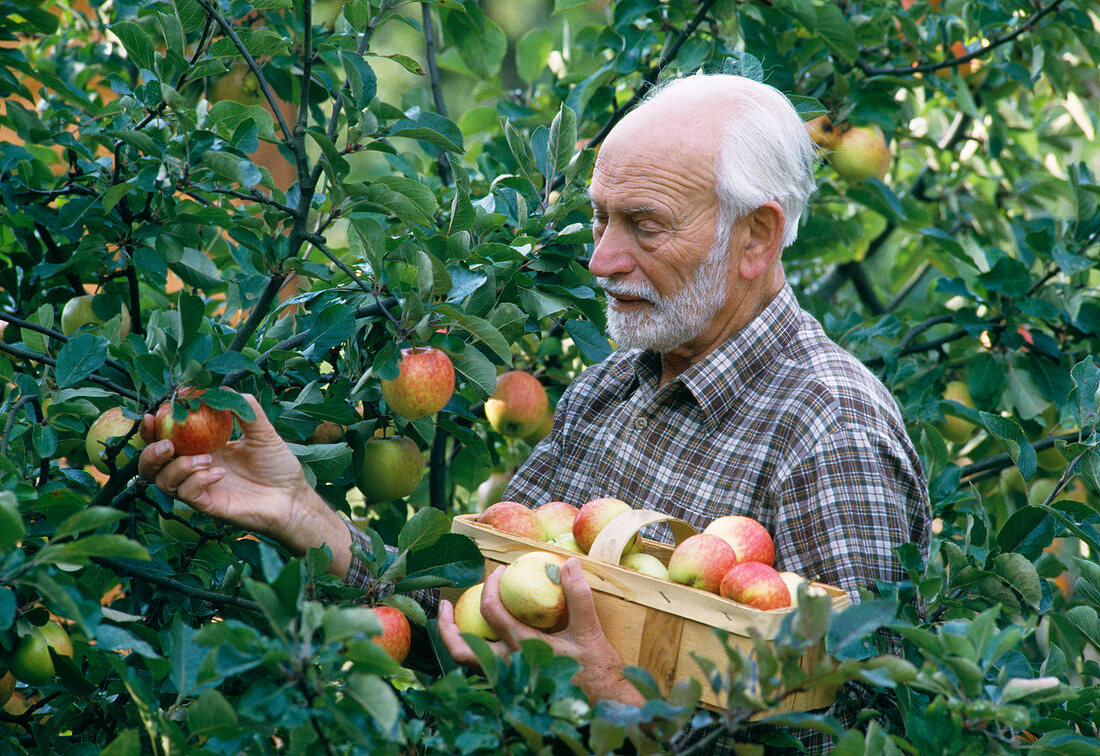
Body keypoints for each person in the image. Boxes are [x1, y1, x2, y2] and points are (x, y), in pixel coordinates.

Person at [139, 73, 931, 753]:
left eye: (643, 224)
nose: (599, 259)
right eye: (599, 216)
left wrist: (623, 708)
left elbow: (871, 734)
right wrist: (296, 508)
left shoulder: (830, 433)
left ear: (756, 235)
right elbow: (467, 610)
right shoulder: (611, 389)